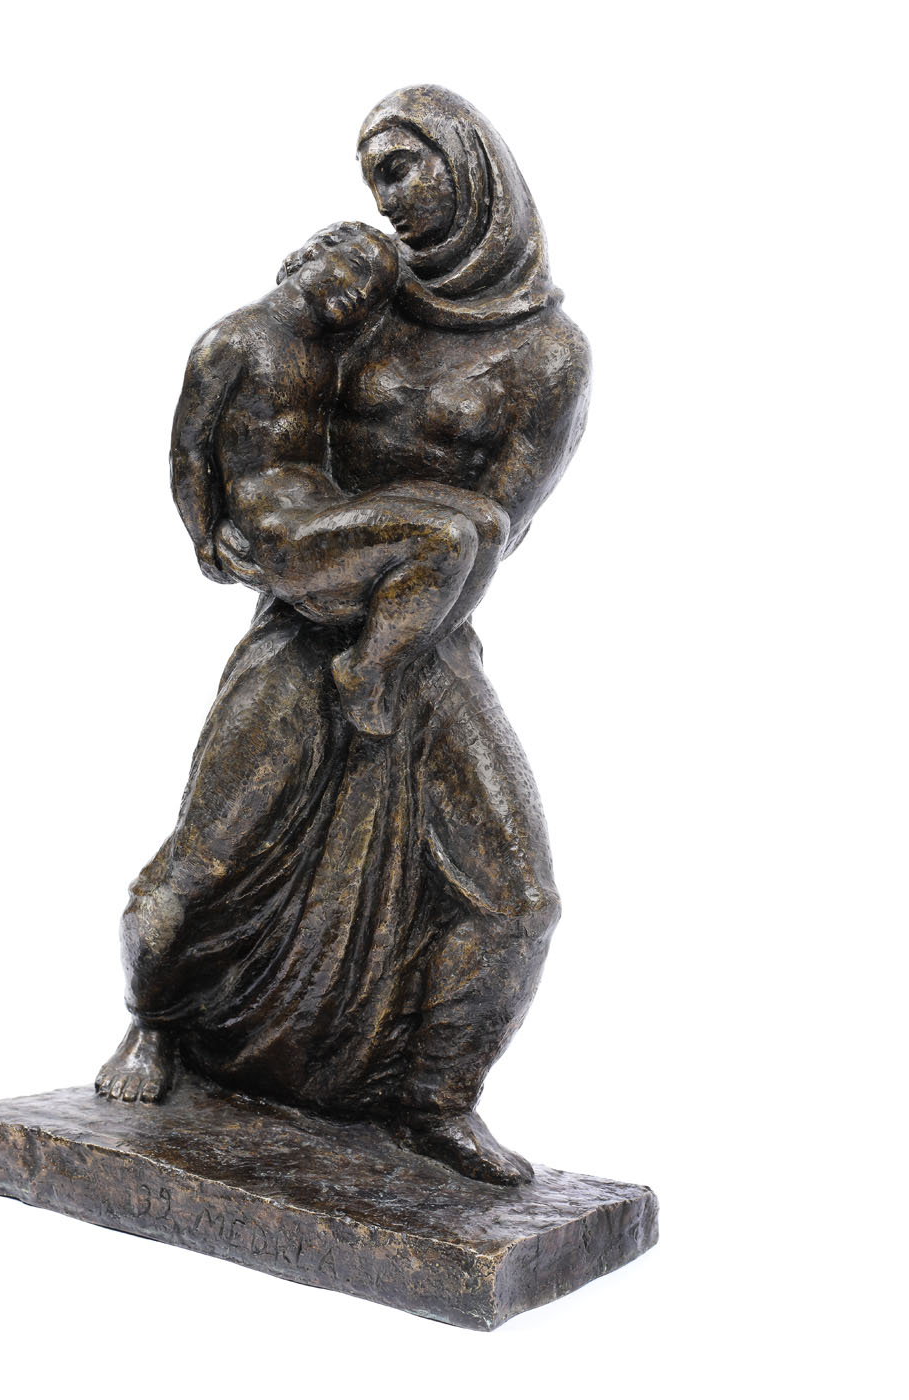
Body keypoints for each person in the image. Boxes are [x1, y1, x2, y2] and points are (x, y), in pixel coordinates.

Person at [96, 86, 590, 1186]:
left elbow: (500, 525)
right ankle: (156, 1025)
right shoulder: (361, 294)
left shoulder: (549, 354)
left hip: (423, 633)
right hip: (301, 620)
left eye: (403, 168)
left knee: (515, 898)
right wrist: (229, 536)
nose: (388, 198)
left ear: (472, 169)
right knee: (208, 861)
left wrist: (391, 633)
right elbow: (248, 408)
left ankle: (432, 1098)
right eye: (373, 178)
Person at [169, 221, 508, 736]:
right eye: (356, 268)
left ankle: (409, 654)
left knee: (488, 524)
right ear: (311, 254)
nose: (359, 293)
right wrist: (206, 537)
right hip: (282, 532)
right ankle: (364, 669)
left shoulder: (329, 354)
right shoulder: (233, 339)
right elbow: (188, 451)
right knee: (447, 537)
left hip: (327, 510)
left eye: (371, 293)